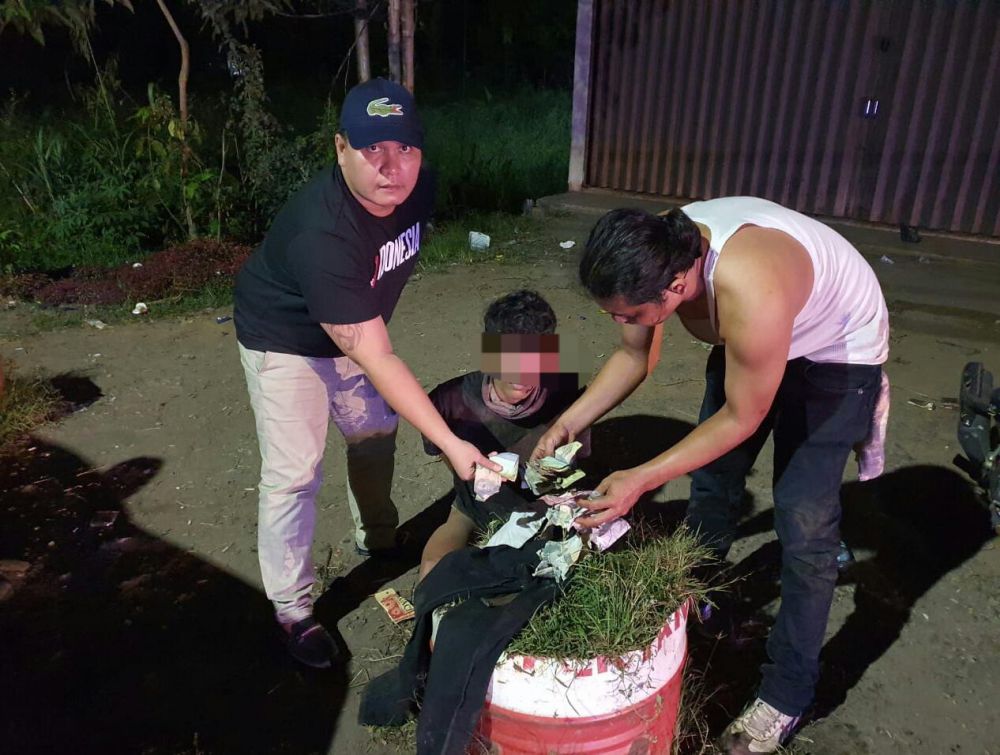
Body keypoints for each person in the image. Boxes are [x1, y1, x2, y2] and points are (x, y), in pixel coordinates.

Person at [533, 198, 888, 753]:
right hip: (751, 338)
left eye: (628, 315)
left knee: (804, 522)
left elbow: (743, 417)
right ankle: (703, 603)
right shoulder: (654, 252)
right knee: (714, 480)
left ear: (676, 287)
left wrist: (640, 478)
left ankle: (786, 694)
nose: (621, 324)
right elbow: (633, 359)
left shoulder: (748, 285)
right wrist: (566, 424)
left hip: (835, 352)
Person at [234, 78, 498, 669]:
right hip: (284, 337)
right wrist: (453, 443)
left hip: (353, 322)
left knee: (376, 434)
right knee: (294, 473)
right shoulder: (323, 233)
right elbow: (378, 357)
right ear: (340, 148)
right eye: (371, 148)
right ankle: (292, 609)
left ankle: (377, 537)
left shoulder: (418, 189)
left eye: (404, 148)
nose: (390, 166)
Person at [418, 289, 587, 580]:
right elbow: (446, 455)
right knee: (434, 572)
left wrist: (549, 476)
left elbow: (577, 459)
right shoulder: (448, 401)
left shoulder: (566, 390)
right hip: (475, 507)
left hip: (545, 507)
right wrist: (475, 476)